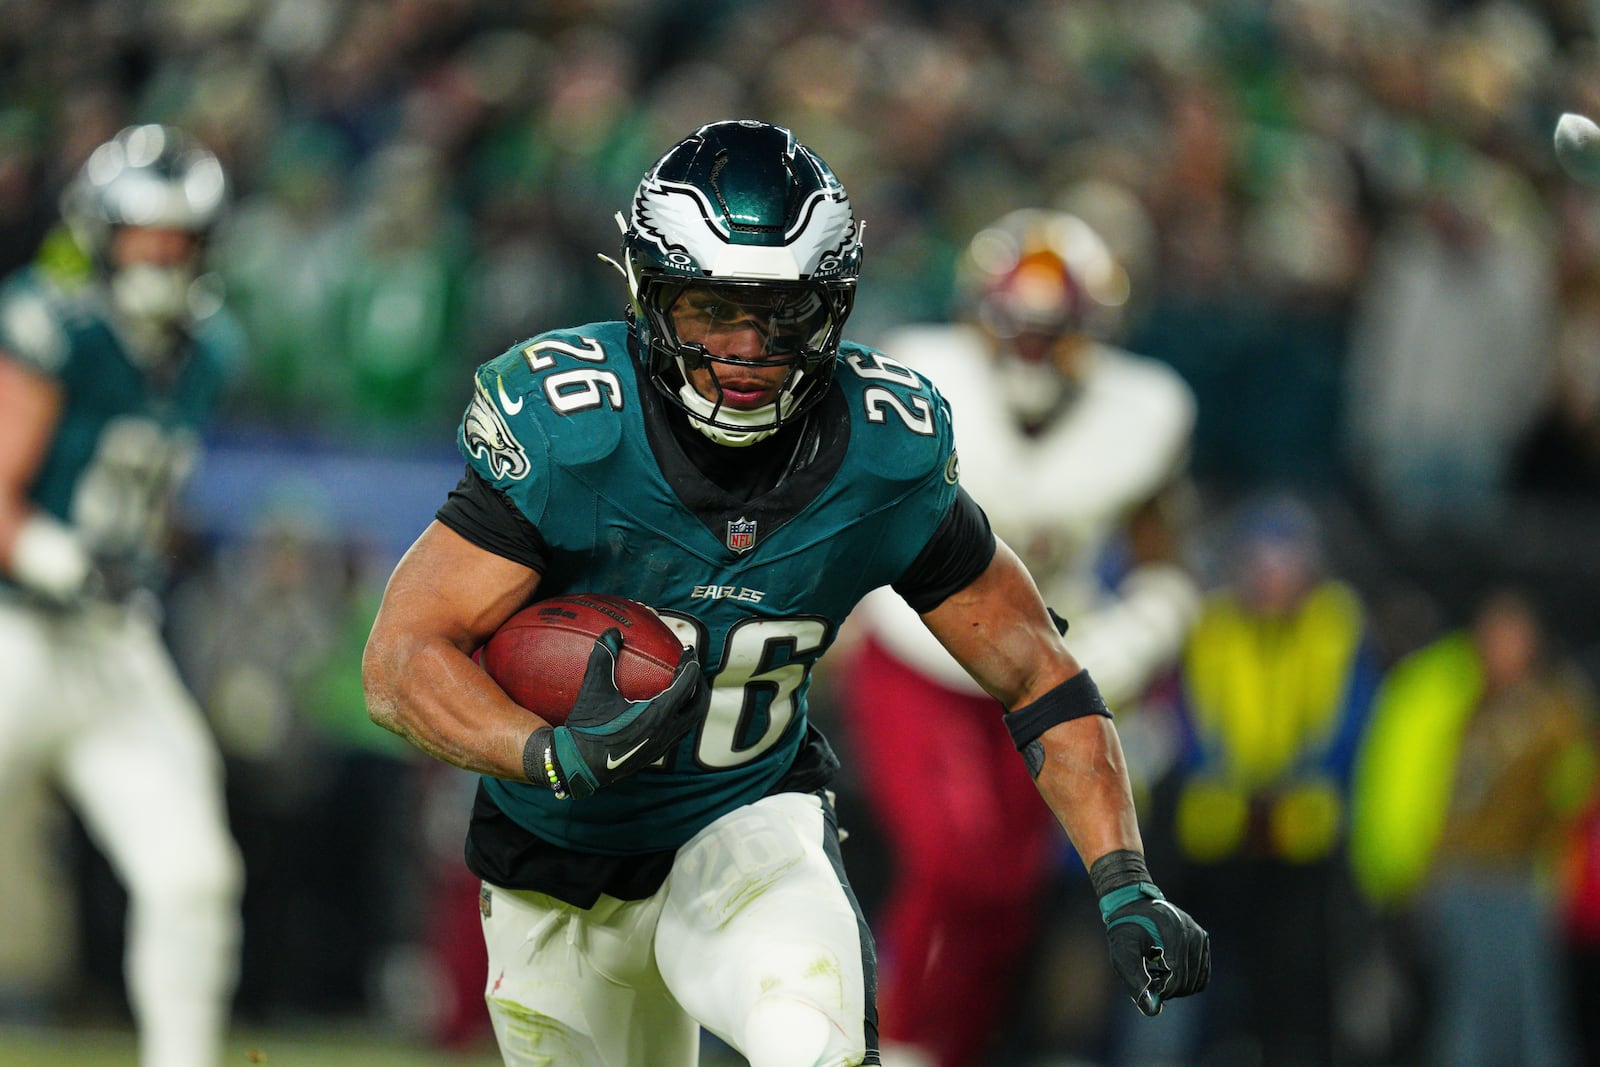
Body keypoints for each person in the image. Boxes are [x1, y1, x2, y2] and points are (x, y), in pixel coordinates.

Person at [362, 119, 1210, 1067]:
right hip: (560, 856)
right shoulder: (569, 427)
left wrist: (1123, 876)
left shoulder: (883, 449)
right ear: (648, 295)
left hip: (748, 824)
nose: (745, 348)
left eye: (782, 312)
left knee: (813, 1046)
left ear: (835, 307)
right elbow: (401, 658)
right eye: (709, 310)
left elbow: (1038, 673)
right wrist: (545, 751)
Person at [836, 206, 1201, 1067]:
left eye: (1054, 331)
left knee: (1004, 890)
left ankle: (944, 1045)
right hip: (918, 648)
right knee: (955, 862)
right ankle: (893, 1041)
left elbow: (1166, 565)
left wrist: (1135, 638)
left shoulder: (1142, 412)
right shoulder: (921, 376)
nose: (1033, 348)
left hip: (1036, 665)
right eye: (1019, 327)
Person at [0, 124, 245, 1067]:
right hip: (16, 631)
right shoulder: (49, 321)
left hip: (112, 641)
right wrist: (60, 554)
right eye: (141, 234)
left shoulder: (209, 348)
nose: (158, 255)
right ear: (101, 234)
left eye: (177, 238)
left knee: (193, 876)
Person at [1350, 586, 1599, 1067]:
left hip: (1519, 882)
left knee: (1527, 1013)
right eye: (1493, 634)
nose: (1500, 647)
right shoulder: (1455, 701)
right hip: (1458, 877)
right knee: (1467, 1014)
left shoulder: (1554, 712)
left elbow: (1569, 800)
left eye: (1512, 635)